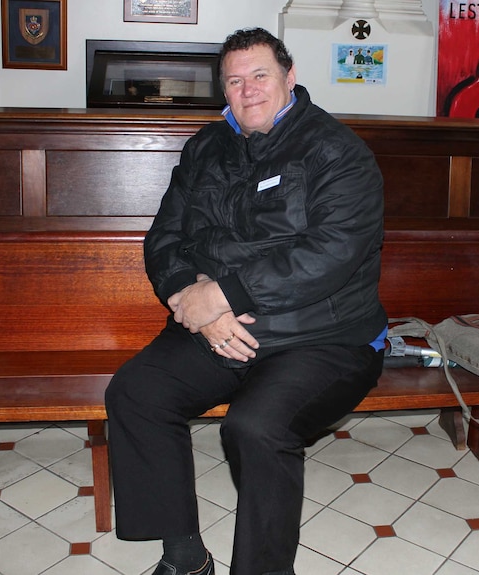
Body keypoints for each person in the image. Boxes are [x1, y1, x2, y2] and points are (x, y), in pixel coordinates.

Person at [105, 27, 387, 575]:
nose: (248, 89)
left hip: (323, 337)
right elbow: (164, 236)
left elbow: (332, 253)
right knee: (136, 394)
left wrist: (224, 293)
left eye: (260, 75)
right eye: (234, 81)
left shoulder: (339, 153)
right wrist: (190, 297)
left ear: (289, 77)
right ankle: (185, 557)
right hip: (220, 326)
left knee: (254, 427)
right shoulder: (205, 148)